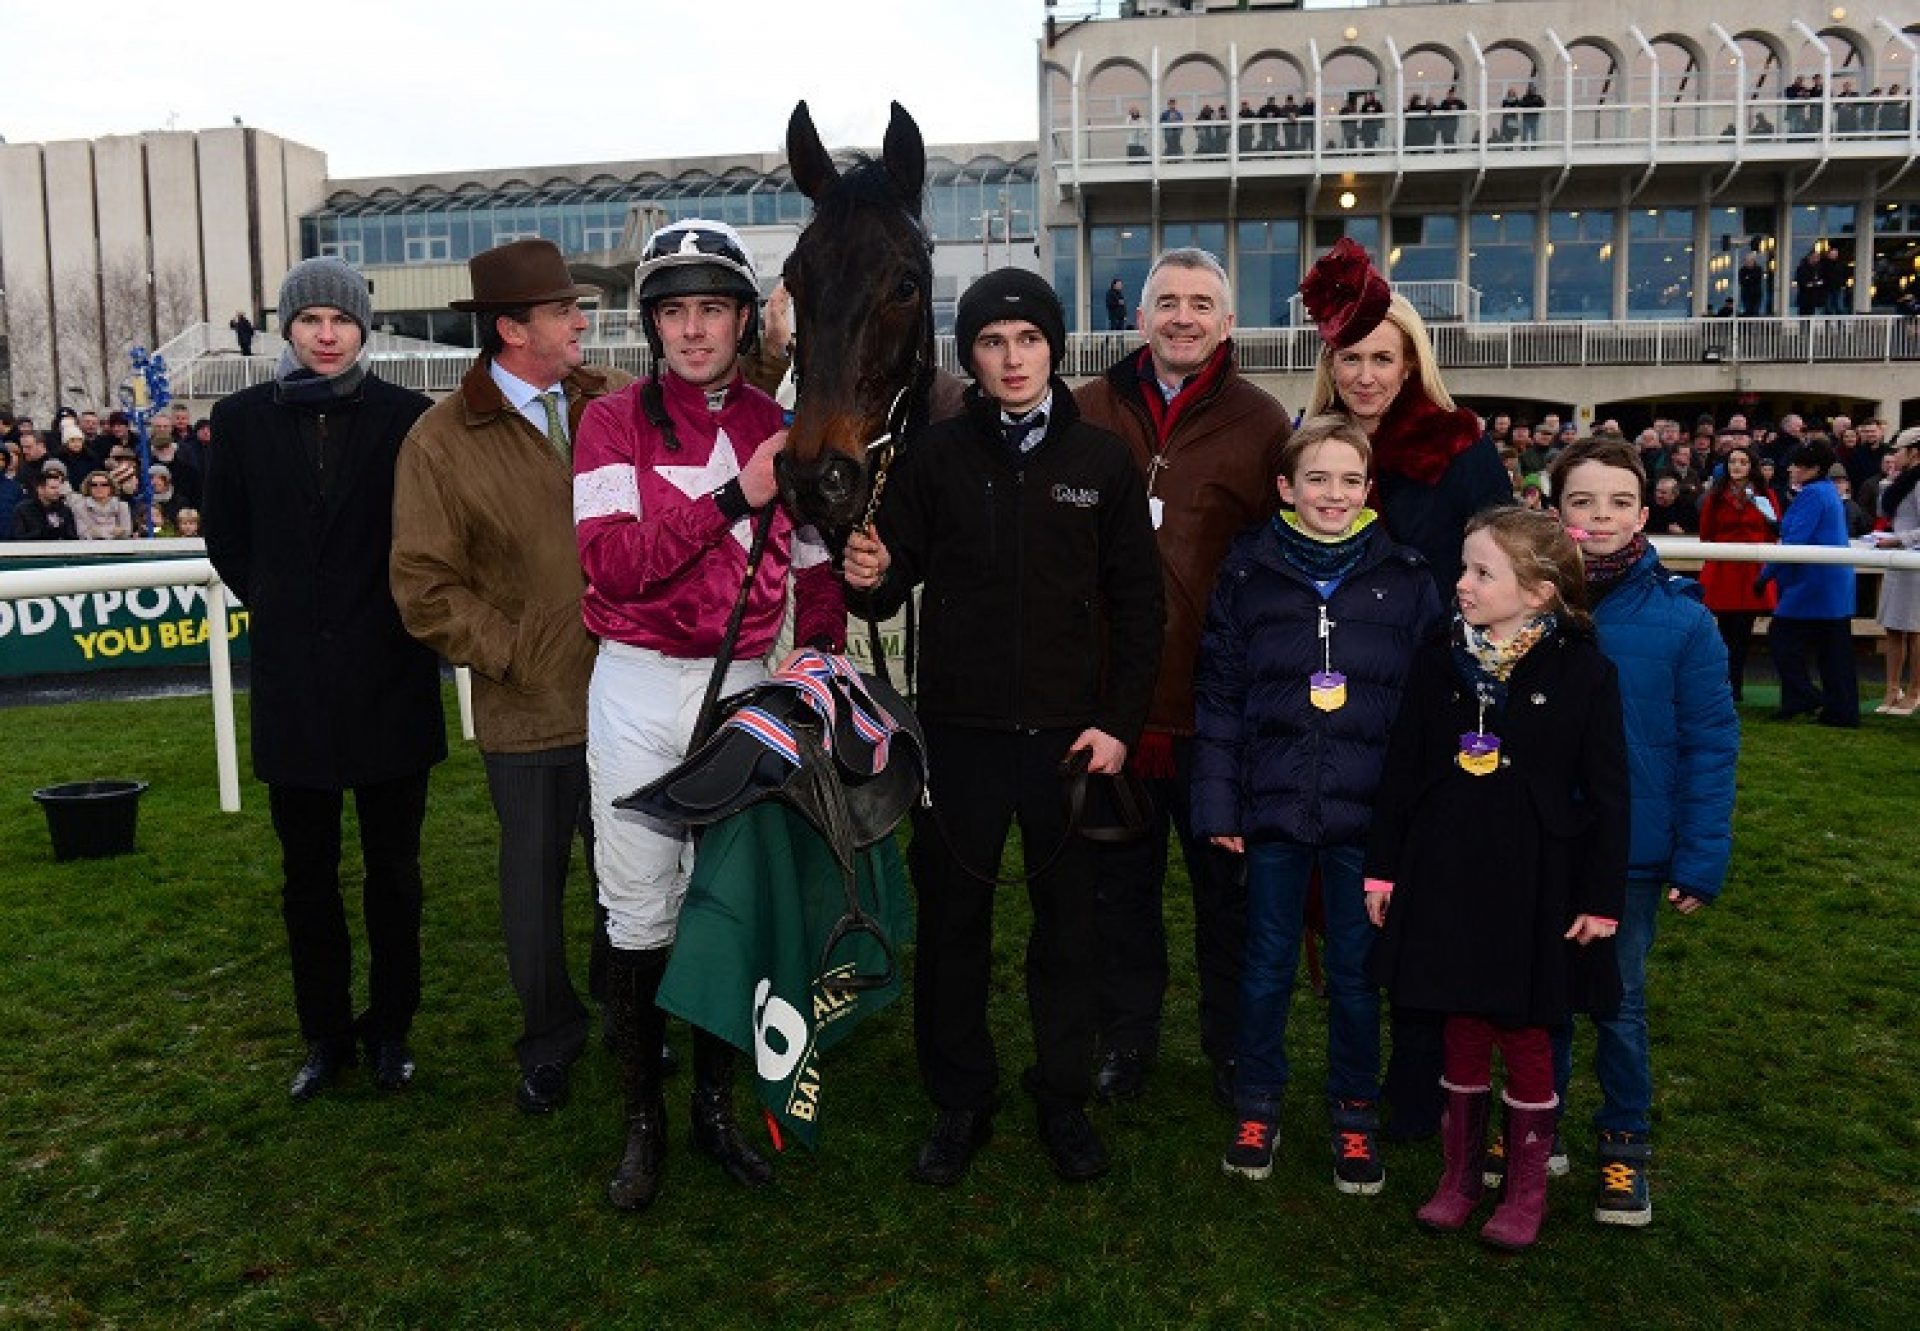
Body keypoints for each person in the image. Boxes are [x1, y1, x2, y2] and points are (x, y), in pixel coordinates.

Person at [842, 267, 1163, 1186]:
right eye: (991, 341)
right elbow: (887, 574)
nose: (1012, 358)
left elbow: (1140, 609)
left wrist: (1116, 723)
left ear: (1055, 348)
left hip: (1069, 742)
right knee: (953, 927)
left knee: (1070, 933)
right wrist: (866, 570)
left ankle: (1062, 1097)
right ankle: (960, 1100)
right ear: (970, 356)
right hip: (960, 737)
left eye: (1027, 339)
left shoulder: (1101, 461)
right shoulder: (935, 457)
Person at [573, 218, 844, 1212]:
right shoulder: (609, 423)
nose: (694, 330)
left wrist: (815, 674)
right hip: (638, 685)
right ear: (652, 321)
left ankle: (716, 1111)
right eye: (675, 310)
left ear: (742, 318)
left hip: (741, 690)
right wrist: (739, 492)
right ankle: (644, 1122)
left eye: (713, 309)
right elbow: (610, 566)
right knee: (639, 912)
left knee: (729, 901)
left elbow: (815, 574)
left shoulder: (782, 421)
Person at [390, 239, 633, 1117]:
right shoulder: (439, 440)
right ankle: (549, 1041)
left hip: (631, 694)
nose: (581, 321)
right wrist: (517, 650)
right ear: (511, 330)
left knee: (633, 873)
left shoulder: (610, 396)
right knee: (533, 886)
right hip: (529, 708)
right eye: (564, 310)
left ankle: (629, 1014)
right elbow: (423, 586)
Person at [204, 257, 446, 1101]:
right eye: (310, 320)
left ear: (362, 328)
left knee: (395, 875)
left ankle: (392, 1030)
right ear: (288, 328)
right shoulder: (238, 422)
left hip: (390, 684)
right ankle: (324, 1035)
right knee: (307, 879)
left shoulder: (409, 420)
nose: (327, 334)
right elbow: (226, 537)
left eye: (339, 320)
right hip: (293, 690)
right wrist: (279, 604)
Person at [1191, 415, 1442, 1194]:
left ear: (1369, 489)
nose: (1333, 494)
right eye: (1317, 479)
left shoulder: (1406, 578)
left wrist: (1413, 820)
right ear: (1286, 489)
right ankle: (1258, 1102)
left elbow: (1429, 707)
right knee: (1264, 966)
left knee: (1355, 974)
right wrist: (1218, 806)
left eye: (1348, 480)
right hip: (1271, 811)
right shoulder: (1246, 574)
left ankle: (1355, 1112)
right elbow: (1221, 699)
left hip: (1365, 821)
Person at [1366, 507, 1627, 1252]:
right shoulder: (1438, 657)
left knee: (1526, 1026)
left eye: (1483, 571)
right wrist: (1383, 866)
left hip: (1538, 877)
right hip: (1446, 868)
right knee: (1460, 1018)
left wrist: (1601, 899)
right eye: (1464, 567)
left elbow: (1610, 794)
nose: (1463, 584)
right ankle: (1458, 1178)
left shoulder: (1584, 668)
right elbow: (1403, 770)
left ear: (1540, 592)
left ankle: (1524, 1187)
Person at [1300, 238, 1510, 1140]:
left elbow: (1507, 564)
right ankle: (1359, 1070)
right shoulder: (1311, 446)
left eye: (1384, 355)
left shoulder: (1461, 449)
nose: (1368, 374)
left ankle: (1421, 1082)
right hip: (1332, 710)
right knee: (1345, 899)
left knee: (1427, 899)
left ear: (1414, 358)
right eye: (1351, 357)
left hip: (1432, 706)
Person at [1073, 247, 1291, 1107]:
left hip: (1217, 715)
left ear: (1228, 323)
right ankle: (1127, 1042)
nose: (1184, 317)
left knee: (1226, 903)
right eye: (1169, 301)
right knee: (1118, 897)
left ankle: (1231, 1048)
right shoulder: (1084, 408)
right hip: (1110, 707)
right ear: (1140, 317)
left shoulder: (1263, 422)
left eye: (1203, 303)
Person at [1546, 438, 1738, 1229]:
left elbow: (1710, 741)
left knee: (1618, 1003)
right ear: (1554, 511)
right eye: (1583, 502)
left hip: (1631, 851)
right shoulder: (1529, 602)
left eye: (1618, 502)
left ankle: (1625, 1141)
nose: (1600, 517)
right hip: (1543, 841)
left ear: (1645, 512)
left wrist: (1699, 855)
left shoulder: (1682, 619)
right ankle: (1535, 1122)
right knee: (1537, 994)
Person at [1761, 438, 1858, 726]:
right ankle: (1838, 710)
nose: (1791, 469)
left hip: (1813, 584)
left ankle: (1803, 696)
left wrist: (1764, 576)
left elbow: (1795, 542)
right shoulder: (1826, 491)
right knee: (1834, 652)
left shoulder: (1812, 495)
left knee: (1782, 639)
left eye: (1797, 464)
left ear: (1813, 468)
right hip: (1831, 584)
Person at [1696, 445, 1779, 701]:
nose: (1737, 466)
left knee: (1743, 633)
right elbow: (1706, 533)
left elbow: (1774, 530)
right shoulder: (1716, 495)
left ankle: (1736, 687)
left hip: (1752, 570)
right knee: (1722, 633)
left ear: (1751, 466)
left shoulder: (1765, 494)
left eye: (1743, 462)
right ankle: (1722, 686)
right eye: (1733, 461)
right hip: (1724, 570)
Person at [1870, 427, 1920, 714]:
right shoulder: (1900, 480)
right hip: (1897, 559)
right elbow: (1884, 514)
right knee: (1893, 627)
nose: (1894, 455)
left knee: (1914, 630)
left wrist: (1900, 539)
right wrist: (1888, 484)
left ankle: (1914, 691)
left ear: (1914, 452)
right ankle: (1892, 689)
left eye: (1899, 450)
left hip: (1913, 562)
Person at [11, 468, 77, 540]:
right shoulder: (23, 510)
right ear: (40, 489)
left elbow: (72, 538)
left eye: (58, 488)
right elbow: (18, 538)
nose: (57, 491)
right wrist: (45, 532)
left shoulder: (65, 511)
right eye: (53, 488)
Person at [71, 469, 131, 539]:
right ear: (88, 488)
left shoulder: (122, 506)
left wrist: (97, 531)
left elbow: (126, 532)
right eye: (94, 485)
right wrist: (113, 531)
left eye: (104, 484)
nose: (99, 487)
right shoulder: (79, 507)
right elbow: (83, 534)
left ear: (110, 487)